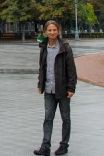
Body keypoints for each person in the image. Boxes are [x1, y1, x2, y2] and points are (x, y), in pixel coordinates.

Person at [34, 20, 77, 156]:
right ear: (45, 32)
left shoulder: (65, 47)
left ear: (58, 31)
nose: (52, 32)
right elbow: (42, 67)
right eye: (49, 30)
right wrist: (40, 84)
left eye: (54, 30)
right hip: (48, 89)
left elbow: (72, 70)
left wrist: (71, 88)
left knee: (65, 118)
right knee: (48, 118)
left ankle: (64, 145)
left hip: (63, 90)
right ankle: (45, 146)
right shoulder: (43, 47)